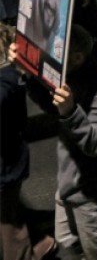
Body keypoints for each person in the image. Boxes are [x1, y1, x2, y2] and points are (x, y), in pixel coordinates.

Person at [26, 25, 97, 260]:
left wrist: (71, 111)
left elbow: (95, 143)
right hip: (71, 184)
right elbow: (52, 106)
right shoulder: (73, 76)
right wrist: (29, 72)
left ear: (76, 57)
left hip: (93, 194)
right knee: (66, 246)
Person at [1, 24, 56, 260]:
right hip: (8, 166)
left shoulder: (9, 83)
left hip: (6, 169)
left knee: (10, 229)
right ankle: (42, 242)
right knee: (10, 214)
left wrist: (12, 68)